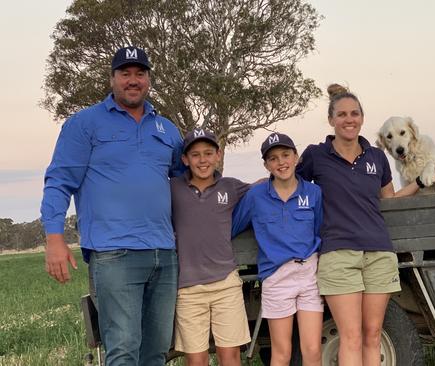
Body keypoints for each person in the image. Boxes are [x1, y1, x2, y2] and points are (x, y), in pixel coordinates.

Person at [40, 46, 184, 365]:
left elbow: (186, 181)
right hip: (114, 254)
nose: (133, 80)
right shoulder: (85, 124)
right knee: (123, 348)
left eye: (140, 73)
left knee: (157, 350)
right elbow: (59, 181)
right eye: (125, 73)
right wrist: (53, 238)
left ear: (148, 79)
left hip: (164, 253)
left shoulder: (168, 130)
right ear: (112, 78)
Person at [296, 84, 435, 366]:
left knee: (373, 334)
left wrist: (421, 181)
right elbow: (289, 184)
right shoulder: (316, 155)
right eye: (341, 114)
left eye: (354, 113)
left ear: (362, 118)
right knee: (350, 336)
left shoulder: (376, 157)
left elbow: (388, 199)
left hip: (378, 252)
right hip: (338, 255)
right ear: (331, 120)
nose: (348, 119)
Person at [232, 133, 324, 366]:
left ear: (296, 157)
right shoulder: (256, 196)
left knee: (312, 349)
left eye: (285, 155)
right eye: (273, 158)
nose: (281, 162)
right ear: (266, 165)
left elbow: (321, 230)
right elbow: (232, 227)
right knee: (282, 352)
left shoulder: (313, 193)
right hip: (276, 276)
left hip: (309, 273)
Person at [171, 128, 251, 366]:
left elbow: (264, 191)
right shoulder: (172, 188)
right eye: (195, 155)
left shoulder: (231, 187)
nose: (202, 160)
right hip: (187, 288)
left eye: (208, 153)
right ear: (185, 159)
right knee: (196, 360)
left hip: (226, 284)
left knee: (230, 356)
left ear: (218, 155)